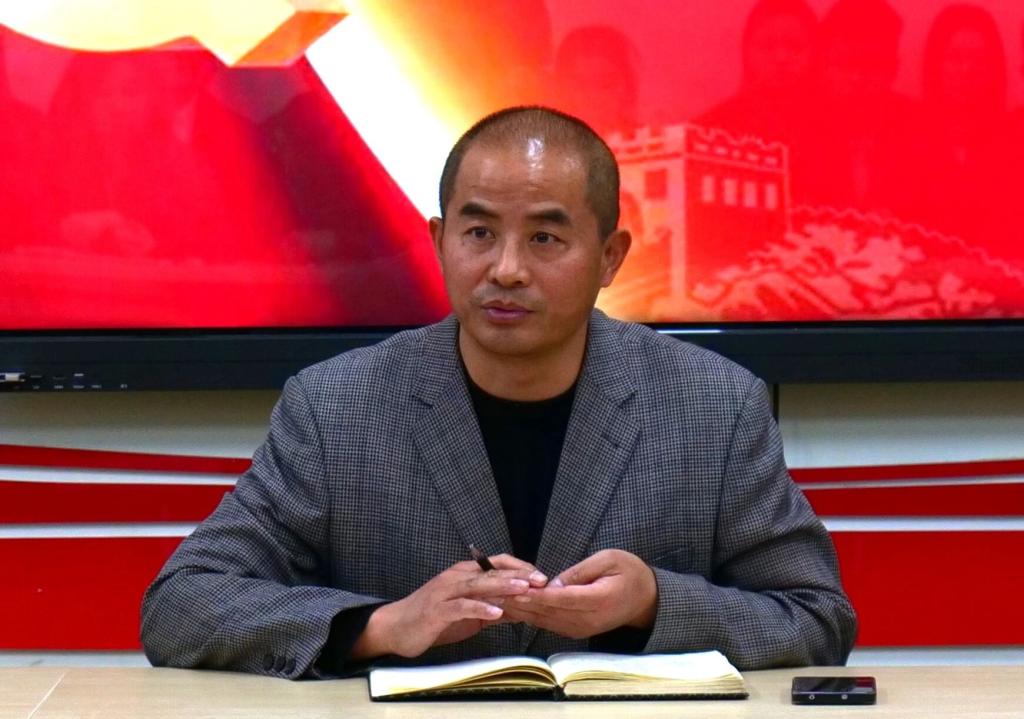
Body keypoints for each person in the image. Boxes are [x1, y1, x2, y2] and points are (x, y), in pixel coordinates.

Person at [140, 106, 857, 678]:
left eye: (545, 239)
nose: (506, 269)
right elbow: (182, 604)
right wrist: (384, 624)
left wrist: (653, 603)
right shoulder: (336, 408)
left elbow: (816, 618)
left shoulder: (714, 406)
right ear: (439, 240)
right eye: (479, 232)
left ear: (610, 257)